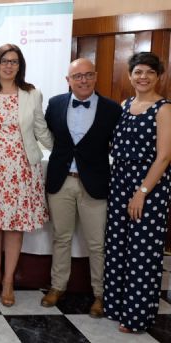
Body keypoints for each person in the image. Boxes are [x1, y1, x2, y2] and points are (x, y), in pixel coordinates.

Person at [0, 43, 53, 307]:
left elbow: (41, 130)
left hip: (21, 169)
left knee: (15, 227)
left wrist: (65, 153)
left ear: (20, 65)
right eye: (4, 61)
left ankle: (8, 281)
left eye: (14, 61)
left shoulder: (32, 93)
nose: (9, 65)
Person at [41, 58, 121, 317]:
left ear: (95, 76)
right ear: (68, 80)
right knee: (61, 238)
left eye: (88, 75)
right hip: (61, 181)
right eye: (77, 76)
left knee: (97, 243)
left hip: (95, 184)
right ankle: (57, 286)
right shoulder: (54, 104)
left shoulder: (111, 109)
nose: (83, 80)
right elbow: (48, 137)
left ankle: (100, 294)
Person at [103, 52, 171, 333]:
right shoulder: (126, 104)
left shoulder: (164, 109)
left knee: (143, 252)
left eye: (149, 73)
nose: (143, 77)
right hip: (119, 182)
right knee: (118, 246)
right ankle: (117, 306)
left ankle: (137, 316)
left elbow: (164, 156)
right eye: (138, 72)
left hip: (148, 187)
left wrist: (142, 191)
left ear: (158, 77)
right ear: (130, 75)